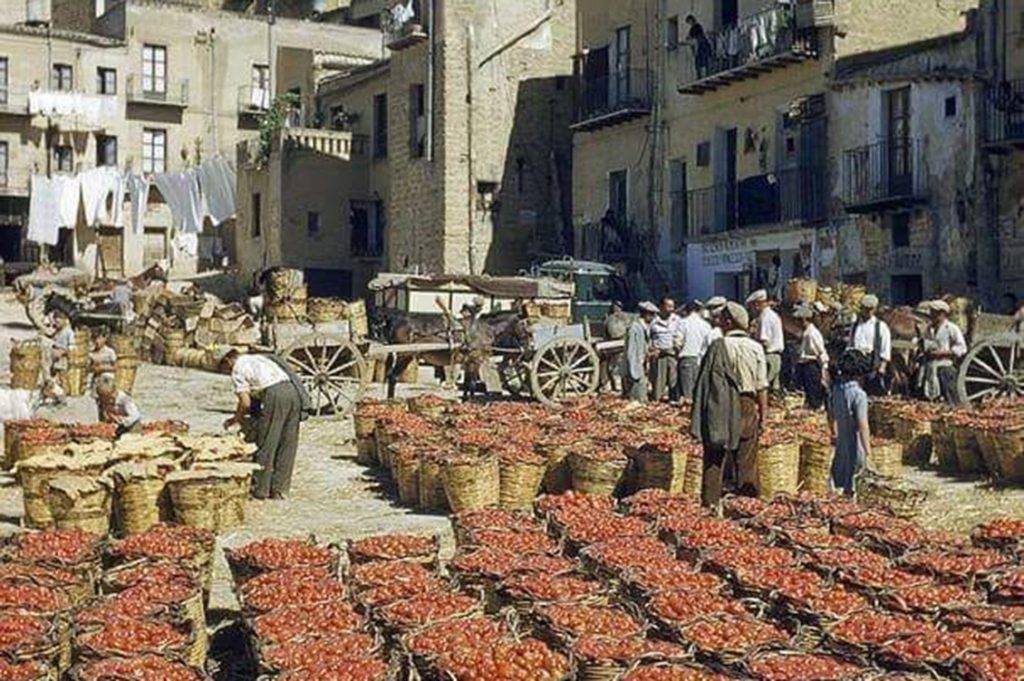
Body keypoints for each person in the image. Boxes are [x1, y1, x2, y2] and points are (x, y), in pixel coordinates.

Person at [691, 302, 768, 506]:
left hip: (722, 405)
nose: (719, 323)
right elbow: (762, 386)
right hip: (747, 405)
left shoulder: (719, 345)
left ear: (728, 321)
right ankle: (747, 506)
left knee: (715, 457)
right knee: (747, 459)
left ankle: (711, 504)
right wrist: (764, 417)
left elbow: (706, 382)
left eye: (722, 319)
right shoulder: (756, 348)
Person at [220, 349, 307, 500]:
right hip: (292, 392)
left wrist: (236, 418)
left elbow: (245, 402)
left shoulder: (237, 369)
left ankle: (261, 488)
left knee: (267, 442)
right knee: (288, 442)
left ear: (228, 362)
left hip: (274, 395)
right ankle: (280, 489)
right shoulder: (258, 358)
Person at [829, 350, 874, 496]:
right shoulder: (858, 394)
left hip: (842, 445)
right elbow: (863, 425)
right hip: (856, 446)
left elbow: (830, 415)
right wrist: (868, 453)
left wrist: (834, 432)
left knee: (841, 482)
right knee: (855, 482)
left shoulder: (836, 390)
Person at [921, 300, 967, 405]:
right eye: (931, 312)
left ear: (942, 314)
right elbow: (927, 345)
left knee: (950, 398)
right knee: (931, 399)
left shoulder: (951, 328)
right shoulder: (929, 329)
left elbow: (962, 347)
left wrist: (944, 353)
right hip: (931, 367)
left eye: (934, 312)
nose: (931, 315)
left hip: (945, 366)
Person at [848, 294, 892, 396]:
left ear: (874, 309)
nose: (867, 312)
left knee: (872, 393)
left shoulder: (880, 326)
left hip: (872, 362)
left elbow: (885, 347)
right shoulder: (855, 326)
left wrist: (883, 365)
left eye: (870, 309)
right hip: (856, 363)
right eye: (865, 309)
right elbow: (850, 343)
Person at [747, 289, 784, 392]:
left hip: (768, 357)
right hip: (775, 356)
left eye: (752, 306)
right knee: (773, 389)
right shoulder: (772, 315)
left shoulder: (765, 318)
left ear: (757, 304)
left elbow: (764, 342)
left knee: (763, 388)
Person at [794, 307, 829, 410]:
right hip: (805, 364)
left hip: (811, 365)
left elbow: (821, 352)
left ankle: (817, 407)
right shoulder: (806, 333)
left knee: (814, 391)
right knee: (808, 391)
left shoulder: (812, 334)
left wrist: (824, 369)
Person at [677, 300, 713, 401]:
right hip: (702, 360)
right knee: (699, 394)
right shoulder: (706, 325)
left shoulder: (683, 323)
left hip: (686, 358)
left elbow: (678, 343)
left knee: (687, 394)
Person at [648, 297, 682, 402]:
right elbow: (649, 337)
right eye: (668, 306)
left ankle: (673, 402)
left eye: (672, 306)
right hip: (659, 355)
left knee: (673, 381)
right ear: (662, 307)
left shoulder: (677, 320)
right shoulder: (654, 321)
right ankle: (656, 401)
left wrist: (678, 346)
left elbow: (680, 335)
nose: (671, 309)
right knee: (658, 381)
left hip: (672, 354)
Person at [624, 302, 657, 402]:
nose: (653, 318)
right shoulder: (635, 328)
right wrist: (634, 371)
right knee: (638, 397)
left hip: (641, 366)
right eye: (652, 315)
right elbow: (632, 350)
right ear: (646, 314)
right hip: (636, 368)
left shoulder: (644, 328)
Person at [50, 311, 75, 398]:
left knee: (63, 376)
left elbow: (72, 347)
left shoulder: (68, 332)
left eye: (58, 322)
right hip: (55, 356)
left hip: (63, 357)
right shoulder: (57, 332)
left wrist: (62, 352)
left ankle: (64, 395)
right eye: (55, 322)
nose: (56, 324)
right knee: (54, 376)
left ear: (64, 320)